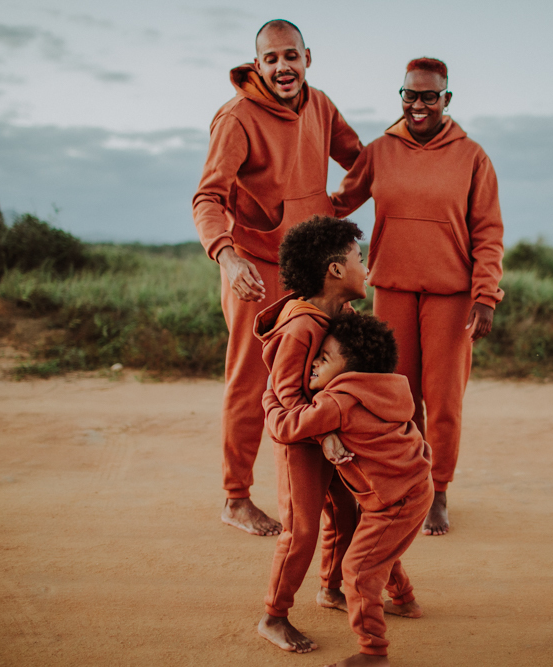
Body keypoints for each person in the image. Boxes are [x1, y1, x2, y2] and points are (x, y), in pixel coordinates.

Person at [192, 19, 362, 536]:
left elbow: (361, 161)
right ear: (259, 64)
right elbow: (208, 197)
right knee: (253, 379)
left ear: (308, 58)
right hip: (257, 269)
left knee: (327, 368)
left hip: (312, 266)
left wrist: (339, 207)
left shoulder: (321, 105)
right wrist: (227, 254)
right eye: (272, 59)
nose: (283, 67)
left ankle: (329, 486)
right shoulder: (237, 118)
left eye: (291, 56)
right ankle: (235, 497)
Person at [331, 57, 504, 536]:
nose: (419, 104)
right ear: (401, 96)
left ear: (447, 100)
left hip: (452, 295)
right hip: (392, 290)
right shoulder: (380, 150)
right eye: (411, 95)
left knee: (443, 399)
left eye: (430, 96)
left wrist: (485, 293)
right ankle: (406, 484)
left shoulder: (473, 156)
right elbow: (339, 204)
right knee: (396, 397)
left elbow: (488, 231)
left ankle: (439, 491)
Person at [263, 312, 433, 667]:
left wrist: (270, 394)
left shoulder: (338, 401)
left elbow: (286, 426)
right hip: (412, 488)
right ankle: (403, 600)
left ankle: (373, 652)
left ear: (351, 371)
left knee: (358, 570)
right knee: (379, 548)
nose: (313, 366)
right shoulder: (392, 388)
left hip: (392, 500)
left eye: (323, 360)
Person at [253, 216, 367, 653]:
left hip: (329, 437)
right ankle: (274, 615)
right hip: (299, 440)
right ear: (336, 270)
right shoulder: (302, 326)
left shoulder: (344, 315)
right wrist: (323, 437)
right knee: (301, 529)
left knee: (346, 513)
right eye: (360, 258)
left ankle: (330, 589)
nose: (366, 268)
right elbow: (285, 398)